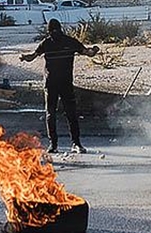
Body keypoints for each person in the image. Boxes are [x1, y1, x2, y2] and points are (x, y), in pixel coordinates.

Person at [20, 19, 99, 153]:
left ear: (49, 31)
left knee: (55, 114)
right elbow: (87, 52)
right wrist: (94, 50)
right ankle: (73, 144)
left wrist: (24, 57)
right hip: (59, 83)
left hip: (55, 83)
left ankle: (57, 145)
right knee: (67, 113)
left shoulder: (48, 42)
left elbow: (32, 57)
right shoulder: (67, 41)